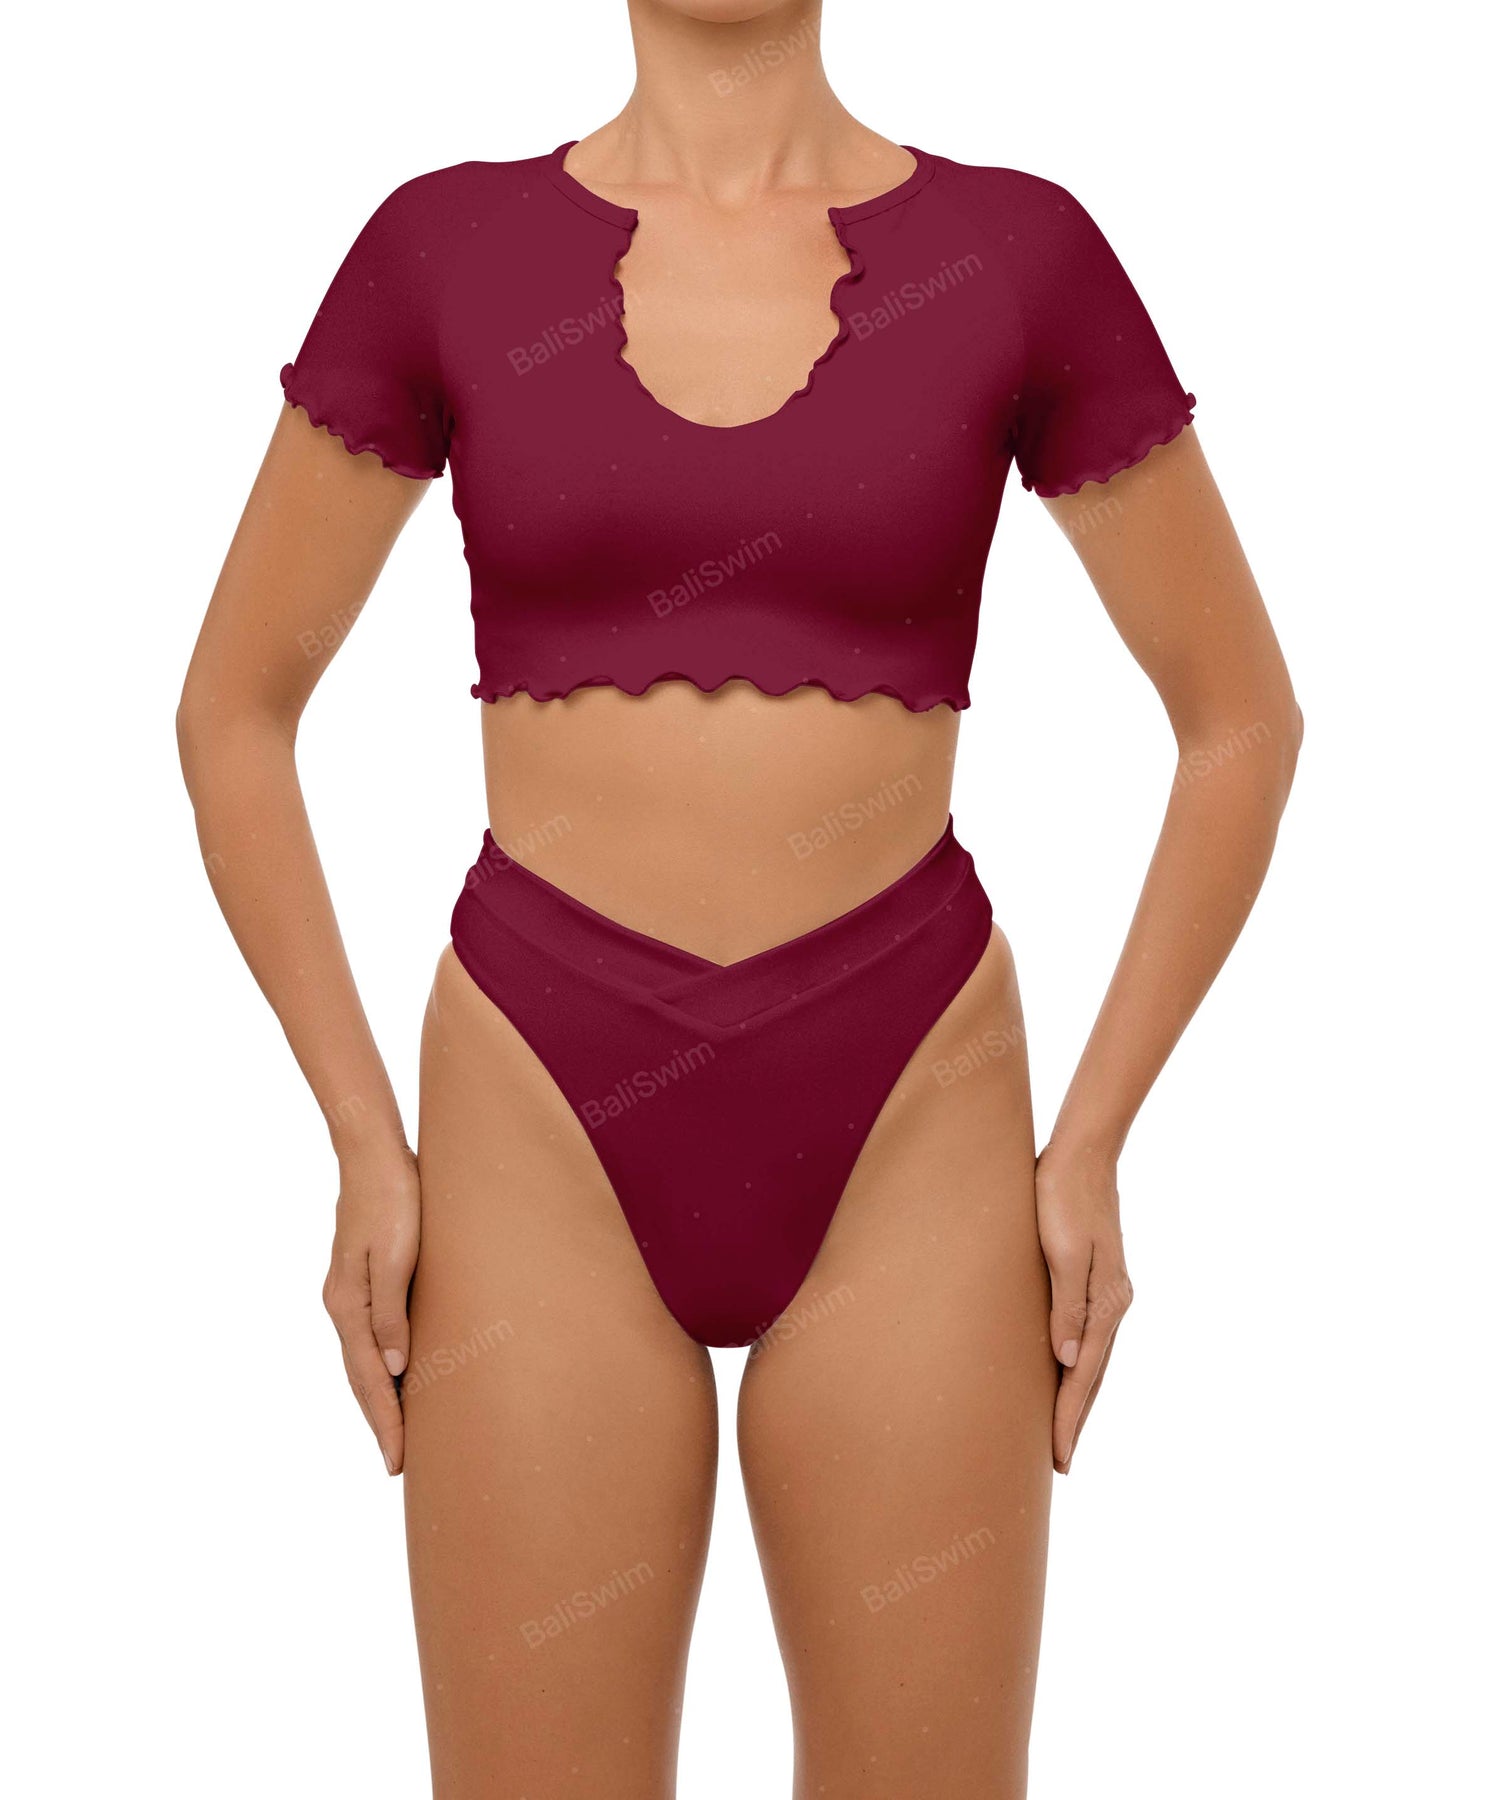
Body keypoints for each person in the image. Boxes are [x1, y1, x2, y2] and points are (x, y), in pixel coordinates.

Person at [177, 3, 1301, 1792]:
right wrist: (363, 1144)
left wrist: (1092, 1142)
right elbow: (234, 710)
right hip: (539, 1096)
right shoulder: (442, 250)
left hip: (911, 1090)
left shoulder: (1016, 254)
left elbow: (1240, 720)